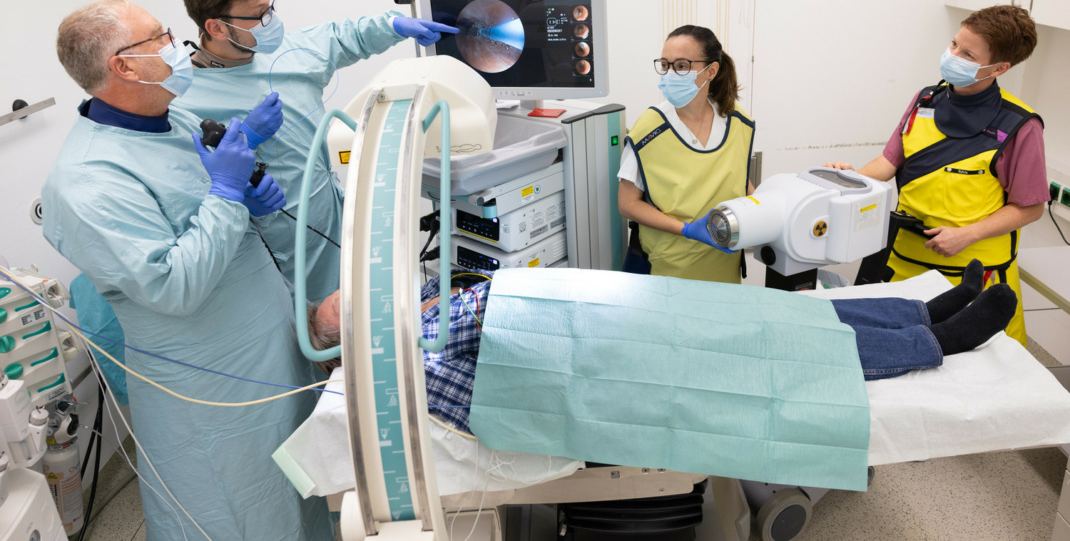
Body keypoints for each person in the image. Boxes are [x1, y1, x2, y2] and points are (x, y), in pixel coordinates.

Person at [42, 0, 331, 541]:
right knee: (237, 511)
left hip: (267, 346)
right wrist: (228, 195)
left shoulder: (171, 114)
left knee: (299, 492)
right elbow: (175, 288)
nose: (179, 46)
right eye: (160, 37)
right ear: (123, 66)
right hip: (210, 388)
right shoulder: (87, 182)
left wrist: (247, 193)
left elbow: (198, 209)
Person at [309, 261, 1016, 436]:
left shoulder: (425, 318)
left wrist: (432, 298)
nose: (399, 297)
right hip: (618, 367)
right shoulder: (413, 366)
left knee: (771, 313)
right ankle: (938, 340)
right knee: (766, 347)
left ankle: (917, 308)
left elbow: (482, 298)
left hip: (620, 319)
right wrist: (438, 312)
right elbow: (492, 369)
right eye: (372, 305)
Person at [176, 0, 459, 305]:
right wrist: (247, 139)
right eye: (258, 15)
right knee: (314, 331)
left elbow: (345, 36)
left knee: (363, 305)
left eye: (270, 7)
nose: (271, 21)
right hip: (280, 243)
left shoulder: (289, 52)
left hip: (335, 216)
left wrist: (395, 25)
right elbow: (187, 184)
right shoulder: (186, 98)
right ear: (217, 28)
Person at [827, 5, 1048, 347]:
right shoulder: (926, 100)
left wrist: (966, 235)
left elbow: (1030, 207)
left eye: (968, 53)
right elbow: (888, 163)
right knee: (891, 355)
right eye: (955, 44)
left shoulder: (1019, 125)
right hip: (903, 265)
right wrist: (851, 179)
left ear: (1000, 68)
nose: (953, 55)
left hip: (973, 276)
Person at [618, 25, 755, 283]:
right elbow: (627, 203)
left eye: (681, 66)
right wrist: (687, 230)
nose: (670, 74)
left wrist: (767, 211)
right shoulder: (649, 129)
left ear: (711, 70)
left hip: (724, 265)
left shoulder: (737, 121)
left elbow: (741, 182)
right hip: (668, 270)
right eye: (666, 65)